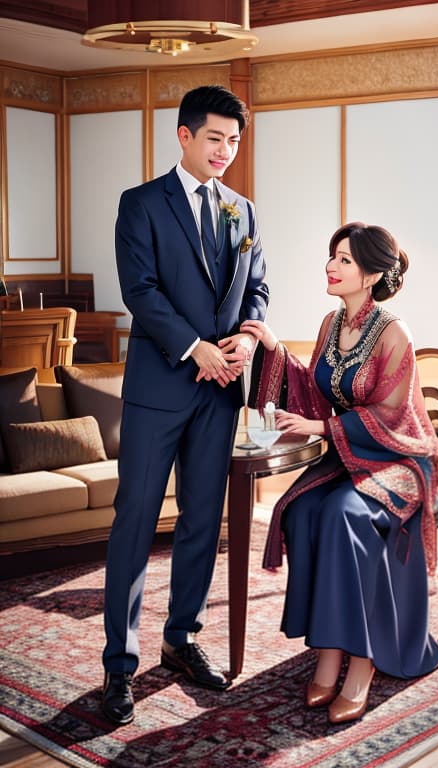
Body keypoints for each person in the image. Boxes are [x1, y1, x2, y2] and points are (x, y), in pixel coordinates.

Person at [101, 85, 269, 725]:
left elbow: (258, 288)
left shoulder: (244, 211)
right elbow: (139, 291)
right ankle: (119, 664)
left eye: (234, 140)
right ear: (184, 135)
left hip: (221, 391)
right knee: (135, 523)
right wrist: (196, 347)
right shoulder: (140, 204)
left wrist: (247, 341)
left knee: (204, 521)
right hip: (159, 389)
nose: (226, 151)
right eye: (215, 138)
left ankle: (181, 640)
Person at [240, 222, 438, 725]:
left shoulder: (395, 333)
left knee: (342, 515)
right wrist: (272, 348)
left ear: (372, 274)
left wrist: (321, 425)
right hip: (349, 453)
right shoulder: (331, 326)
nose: (331, 266)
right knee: (303, 510)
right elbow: (315, 390)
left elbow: (395, 416)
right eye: (332, 256)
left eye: (345, 260)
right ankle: (329, 649)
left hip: (397, 458)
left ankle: (364, 662)